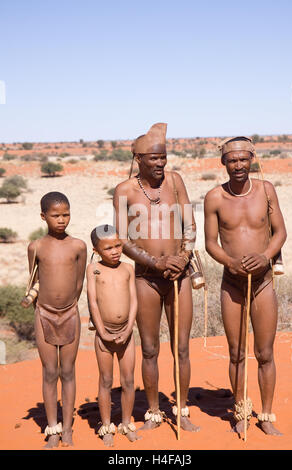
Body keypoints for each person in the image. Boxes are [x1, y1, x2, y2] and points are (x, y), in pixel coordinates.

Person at [113, 123, 200, 432]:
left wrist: (183, 257)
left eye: (164, 157)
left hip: (180, 275)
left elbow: (190, 225)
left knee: (182, 347)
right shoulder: (125, 190)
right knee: (150, 349)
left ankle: (181, 409)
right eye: (154, 159)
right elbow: (122, 238)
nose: (161, 164)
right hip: (146, 278)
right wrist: (154, 261)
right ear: (139, 159)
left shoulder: (176, 182)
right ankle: (152, 411)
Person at [204, 136, 287, 436]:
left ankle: (265, 414)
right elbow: (210, 243)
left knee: (265, 353)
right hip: (232, 286)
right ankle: (240, 412)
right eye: (232, 160)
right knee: (237, 353)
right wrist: (229, 261)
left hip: (262, 285)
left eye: (243, 159)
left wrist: (265, 257)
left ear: (252, 158)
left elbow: (280, 232)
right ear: (223, 162)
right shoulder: (214, 197)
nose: (238, 165)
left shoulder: (266, 190)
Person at [26, 191, 87, 448]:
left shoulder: (78, 246)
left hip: (70, 313)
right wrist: (42, 308)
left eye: (66, 214)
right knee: (50, 372)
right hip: (44, 314)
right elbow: (33, 282)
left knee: (68, 371)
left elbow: (79, 282)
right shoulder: (36, 247)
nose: (62, 220)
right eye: (56, 215)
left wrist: (69, 306)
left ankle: (68, 428)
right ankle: (53, 428)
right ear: (43, 216)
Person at [87, 224, 140, 446]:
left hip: (127, 334)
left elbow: (134, 300)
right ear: (97, 250)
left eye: (118, 245)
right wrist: (102, 332)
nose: (115, 251)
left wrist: (129, 328)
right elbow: (93, 303)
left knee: (128, 380)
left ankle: (126, 422)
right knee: (106, 380)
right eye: (108, 248)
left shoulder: (128, 268)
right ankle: (107, 425)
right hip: (104, 336)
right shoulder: (93, 269)